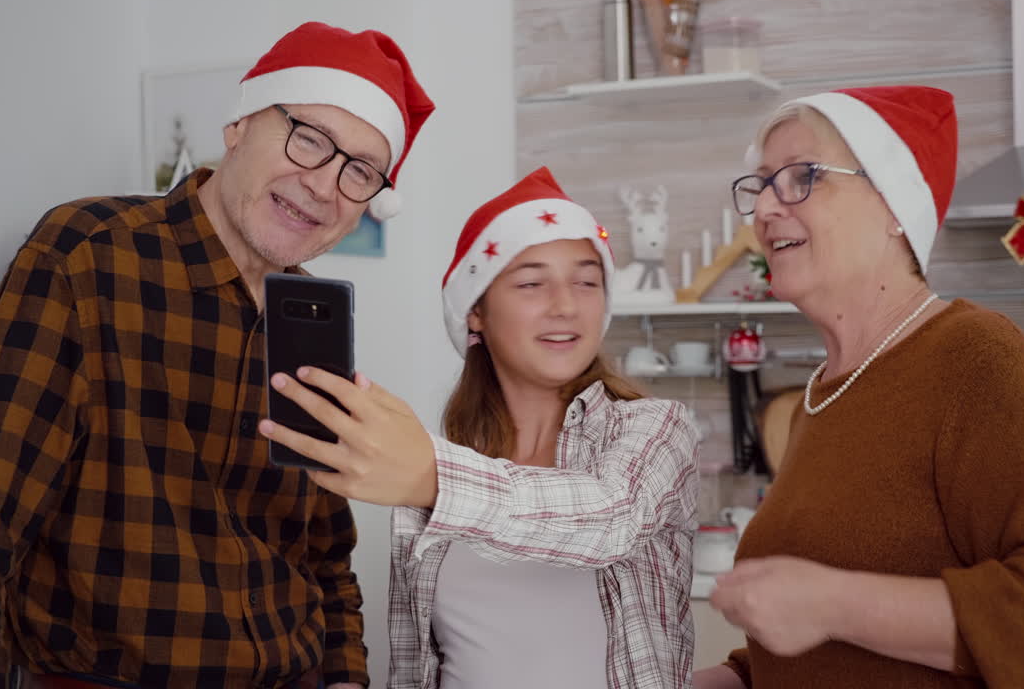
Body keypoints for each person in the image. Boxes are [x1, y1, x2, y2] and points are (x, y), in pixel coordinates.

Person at [0, 22, 434, 689]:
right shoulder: (87, 256)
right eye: (308, 138)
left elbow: (325, 556)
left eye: (359, 171)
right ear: (238, 127)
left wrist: (345, 678)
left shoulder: (313, 320)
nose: (324, 185)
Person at [691, 85, 1024, 688]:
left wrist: (833, 603)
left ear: (894, 206)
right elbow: (829, 657)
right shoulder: (821, 394)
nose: (766, 208)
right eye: (762, 185)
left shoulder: (975, 359)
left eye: (802, 176)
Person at [258, 167, 701, 688]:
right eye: (532, 283)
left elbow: (612, 519)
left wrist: (434, 479)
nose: (566, 306)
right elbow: (415, 664)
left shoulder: (656, 429)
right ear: (476, 314)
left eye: (587, 282)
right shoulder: (440, 471)